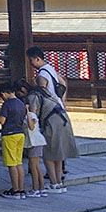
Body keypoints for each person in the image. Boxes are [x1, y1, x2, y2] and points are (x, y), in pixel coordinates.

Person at [27, 48, 78, 190]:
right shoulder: (51, 69)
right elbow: (63, 82)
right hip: (60, 112)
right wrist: (63, 100)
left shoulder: (42, 75)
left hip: (50, 115)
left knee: (49, 152)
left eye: (31, 60)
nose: (31, 63)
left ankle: (54, 182)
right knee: (58, 151)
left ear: (37, 58)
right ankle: (59, 180)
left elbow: (41, 92)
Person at [0, 82, 28, 197]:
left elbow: (2, 121)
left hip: (9, 134)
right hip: (20, 133)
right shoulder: (21, 103)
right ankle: (21, 188)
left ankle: (15, 189)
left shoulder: (7, 105)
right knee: (18, 162)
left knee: (11, 163)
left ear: (4, 93)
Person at [23, 85, 47, 196]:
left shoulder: (31, 115)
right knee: (36, 166)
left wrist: (27, 112)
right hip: (34, 142)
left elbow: (31, 127)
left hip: (35, 142)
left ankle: (36, 188)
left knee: (34, 166)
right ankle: (41, 187)